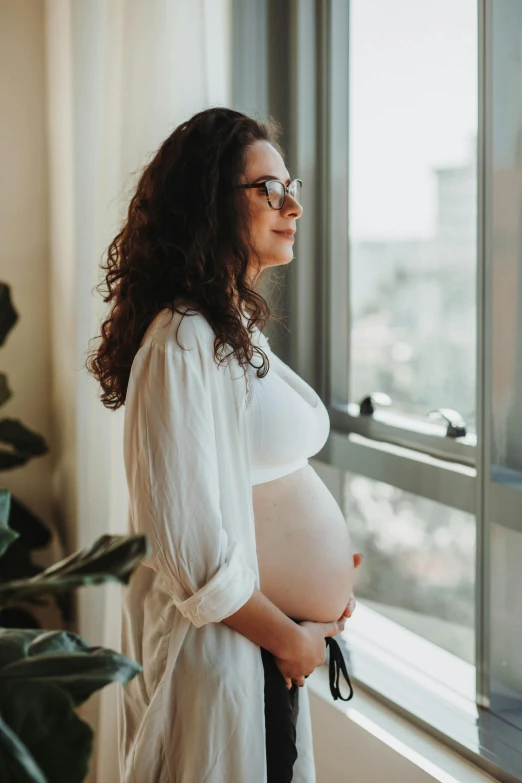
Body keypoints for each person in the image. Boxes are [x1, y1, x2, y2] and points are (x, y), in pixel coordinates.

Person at [87, 107, 363, 783]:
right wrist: (291, 636)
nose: (292, 204)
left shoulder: (225, 326)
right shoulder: (180, 339)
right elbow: (184, 545)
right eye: (267, 189)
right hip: (230, 650)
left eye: (289, 185)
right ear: (209, 202)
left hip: (264, 645)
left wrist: (315, 588)